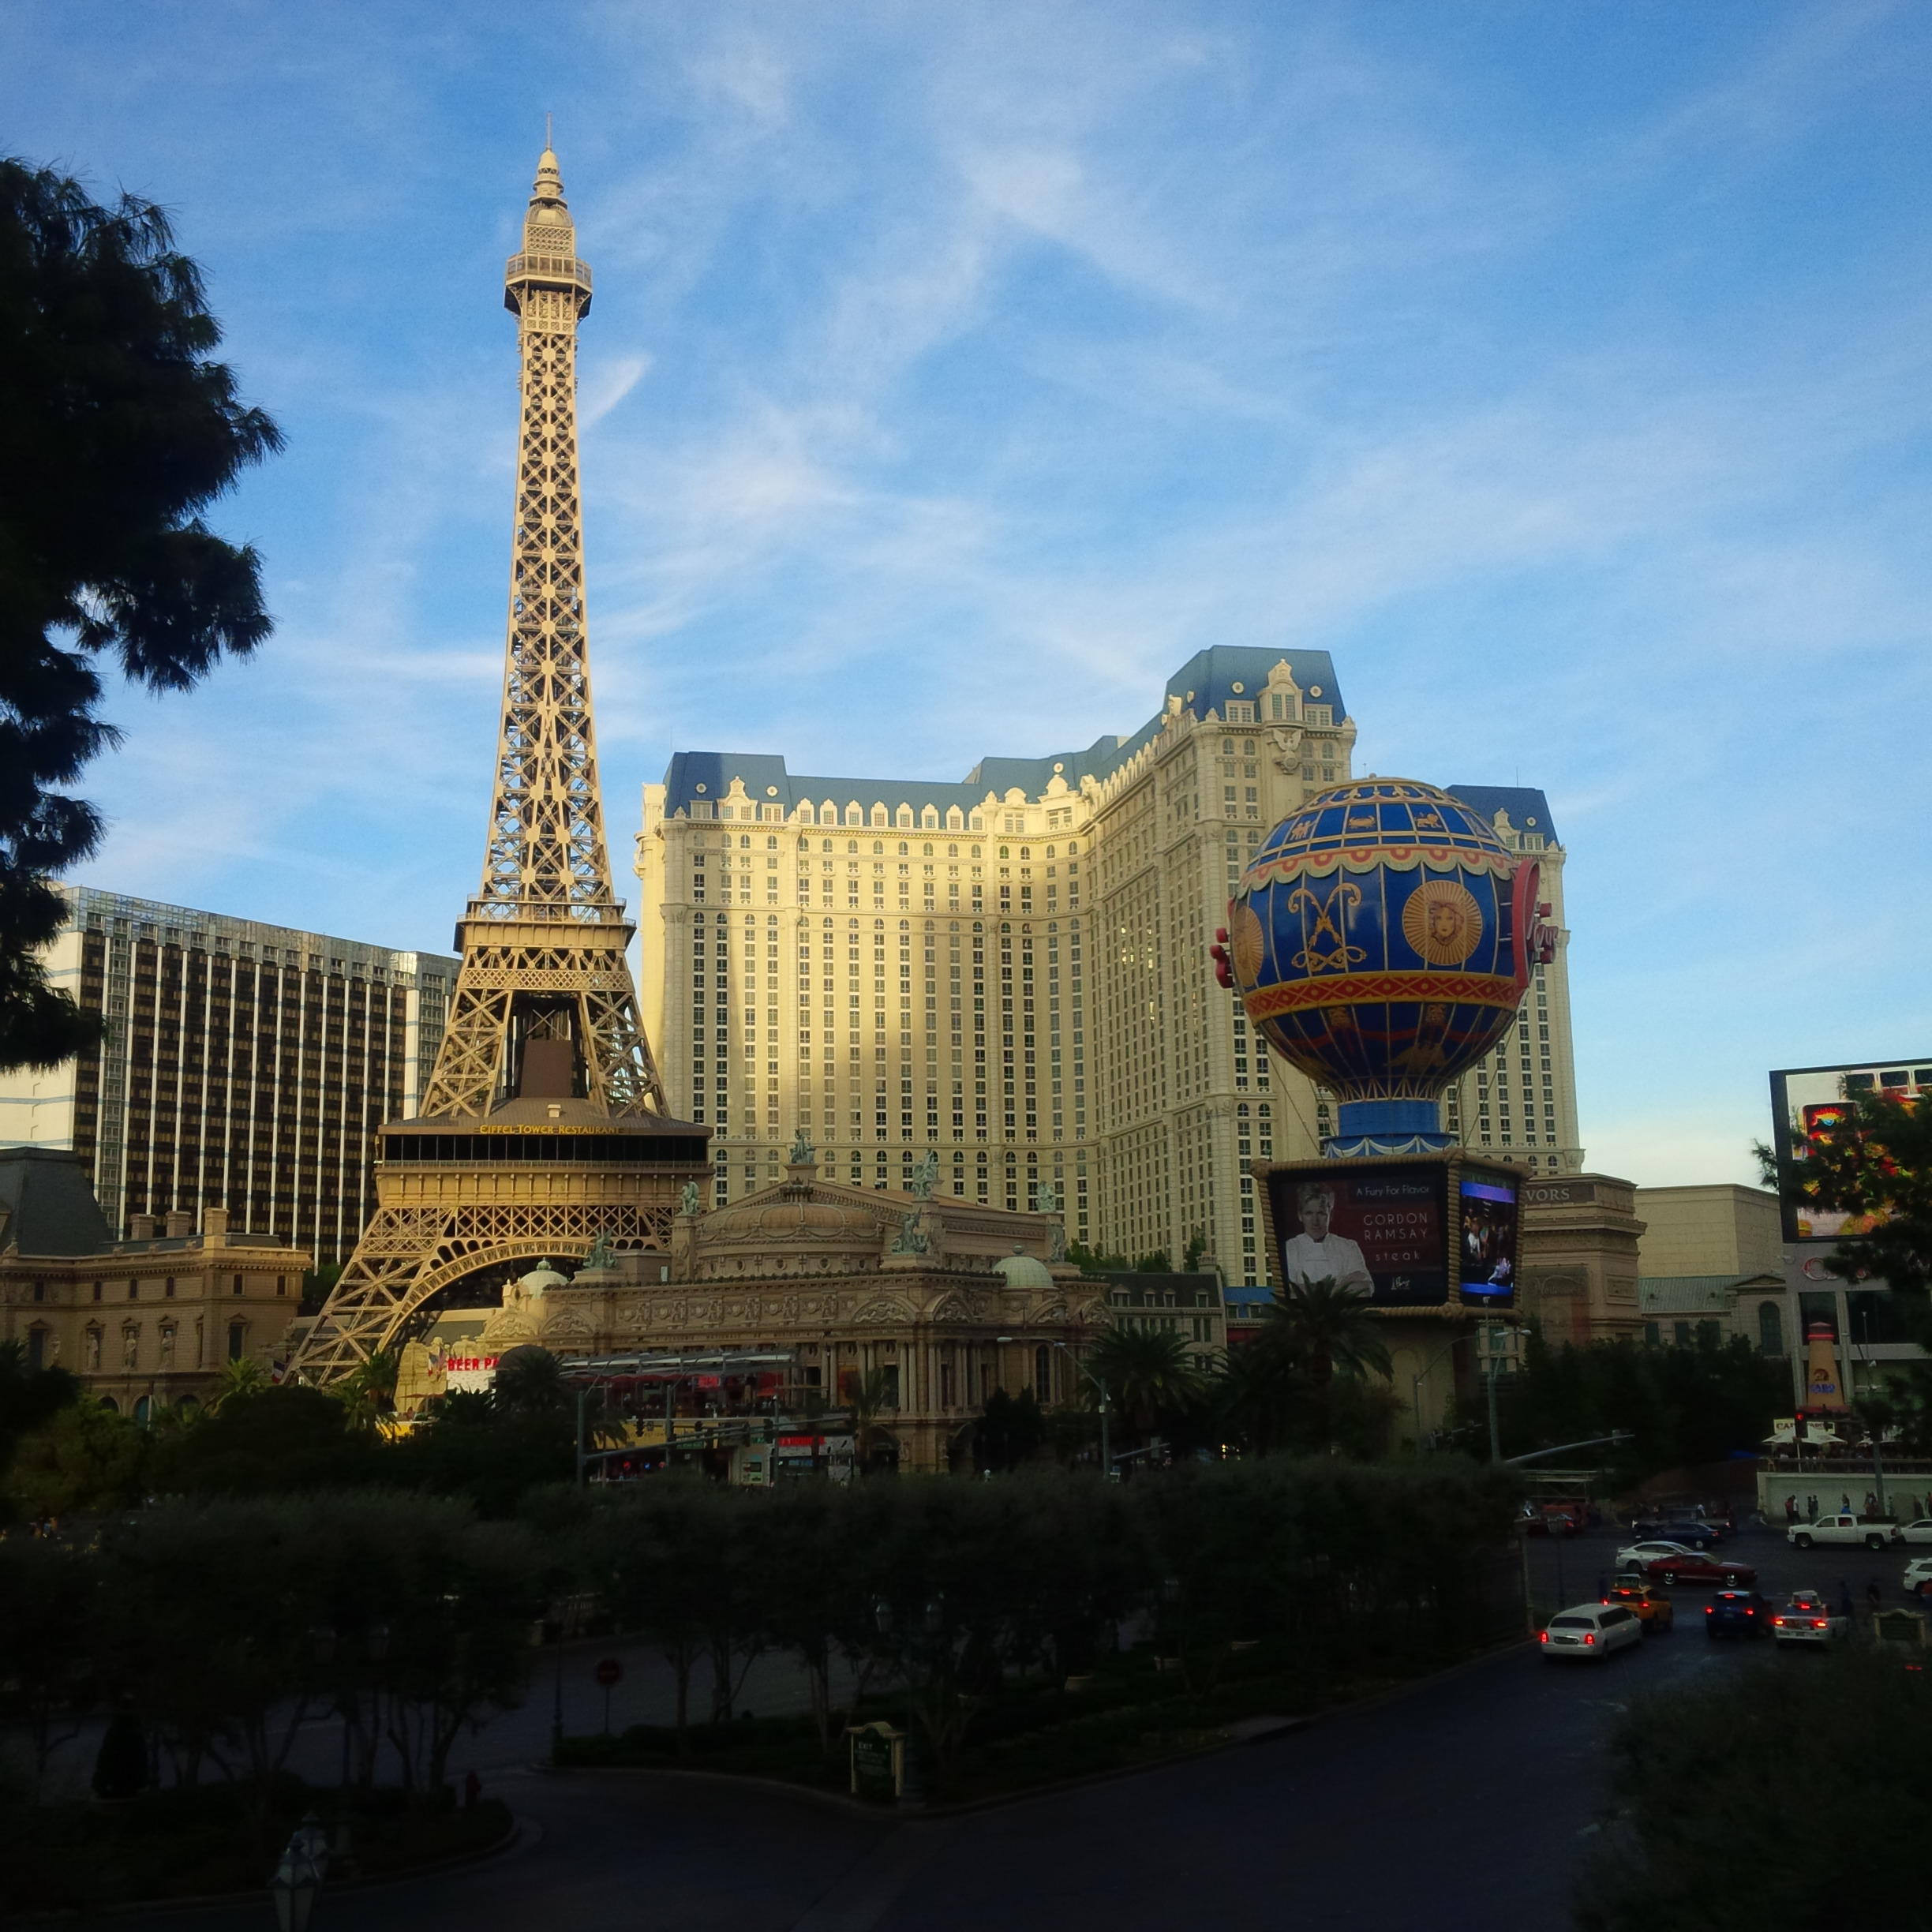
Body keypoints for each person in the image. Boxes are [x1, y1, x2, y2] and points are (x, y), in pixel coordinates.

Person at [1281, 1182, 1374, 1295]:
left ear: (1331, 1215)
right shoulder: (1290, 1248)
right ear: (1300, 1215)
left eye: (1321, 1213)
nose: (1315, 1221)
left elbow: (1365, 1289)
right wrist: (1342, 1285)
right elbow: (1288, 1293)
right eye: (1309, 1213)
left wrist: (1306, 1290)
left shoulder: (1349, 1247)